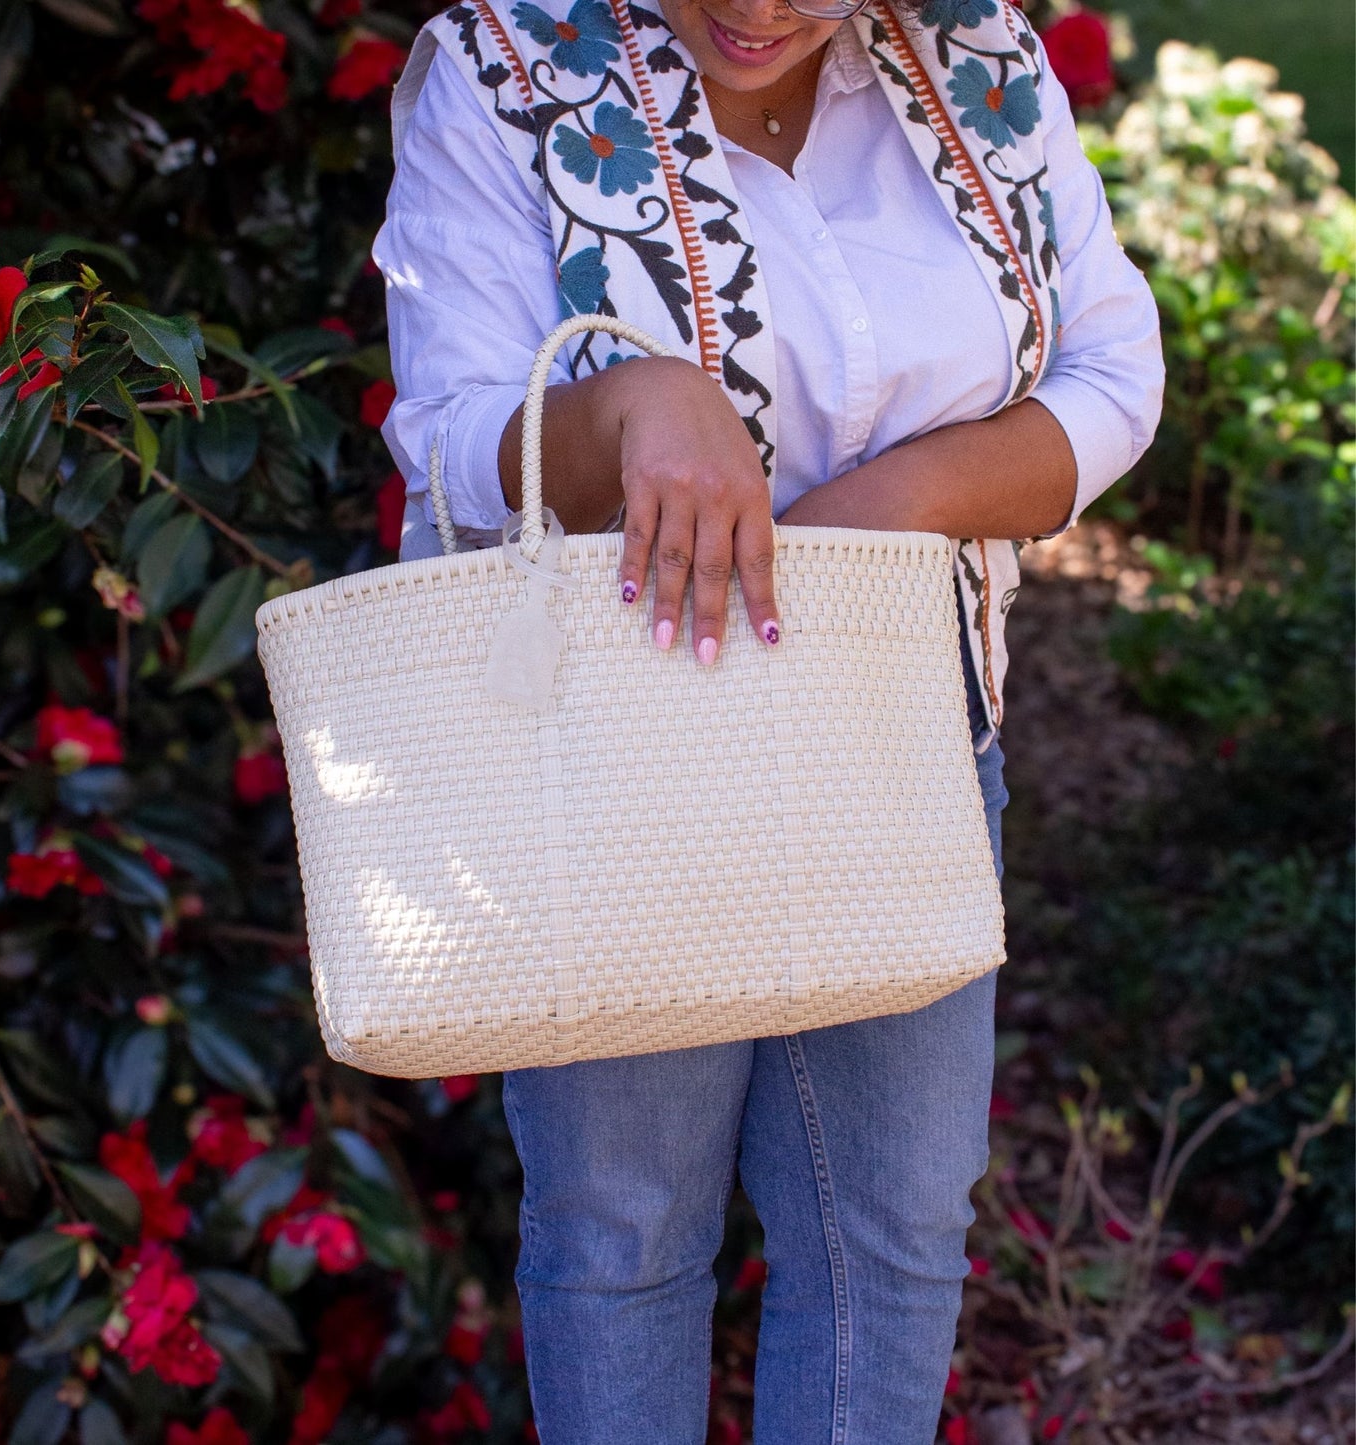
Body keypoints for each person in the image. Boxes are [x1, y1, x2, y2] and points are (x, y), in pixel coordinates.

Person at [372, 0, 1163, 1436]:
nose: (752, 7)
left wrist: (895, 504)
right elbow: (444, 439)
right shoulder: (508, 68)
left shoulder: (981, 64)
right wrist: (635, 406)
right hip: (611, 771)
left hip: (907, 738)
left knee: (896, 1239)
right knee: (621, 1240)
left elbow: (1113, 373)